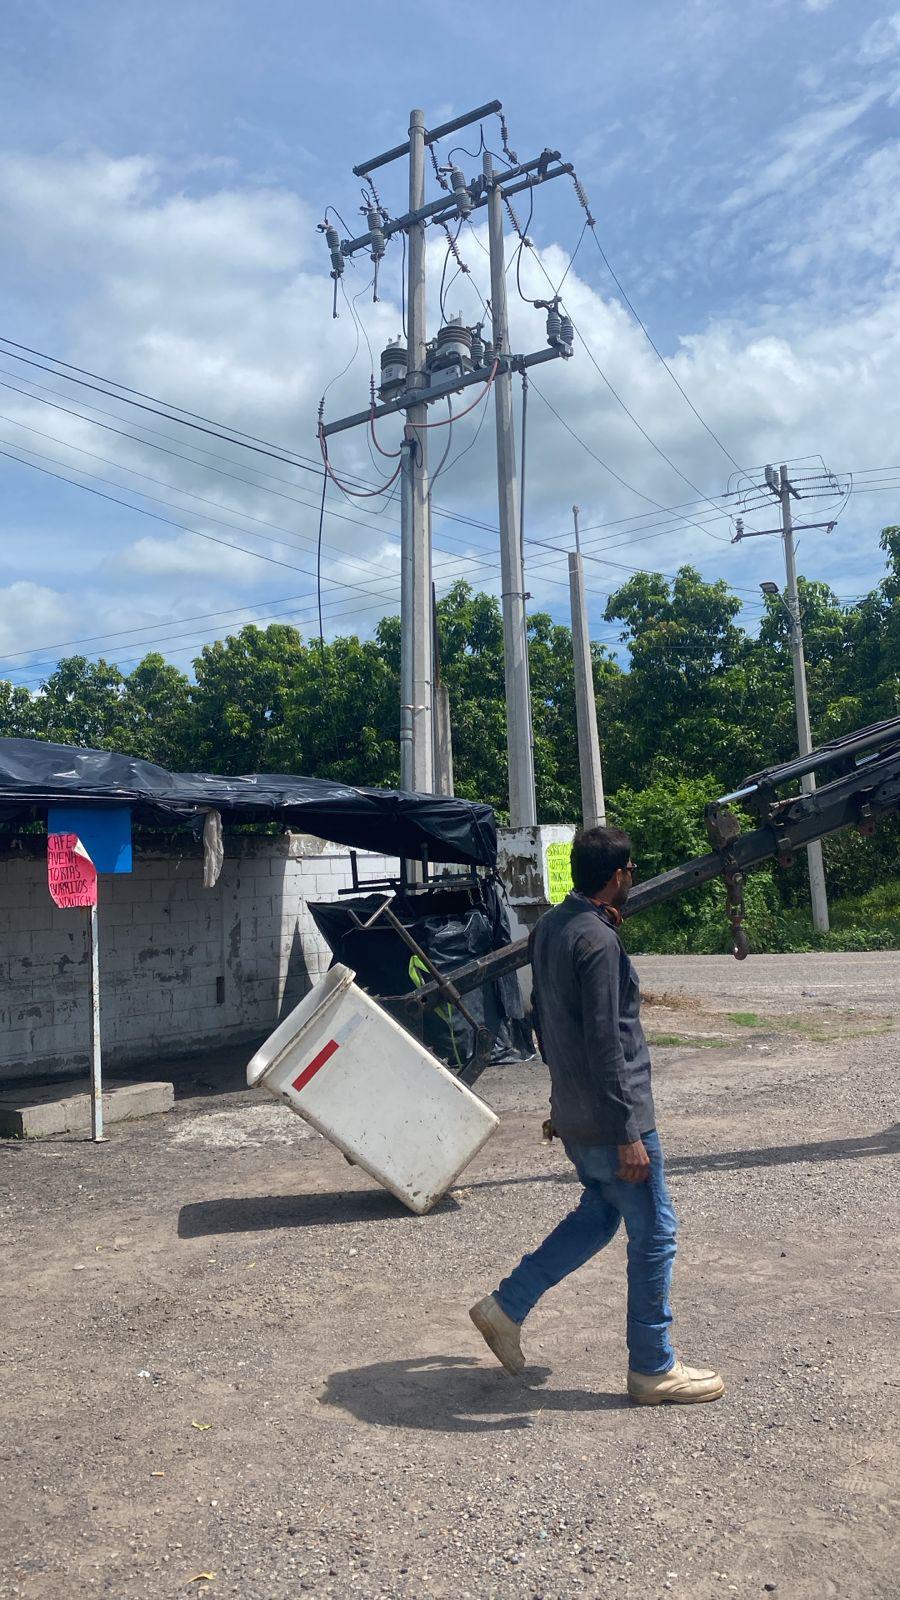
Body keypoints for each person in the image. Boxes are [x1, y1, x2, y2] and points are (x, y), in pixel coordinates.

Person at [469, 825, 724, 1406]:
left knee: (598, 1216)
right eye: (630, 871)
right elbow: (608, 1045)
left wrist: (563, 1102)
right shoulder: (598, 942)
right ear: (619, 876)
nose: (631, 879)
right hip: (615, 1121)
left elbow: (541, 1020)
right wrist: (627, 1133)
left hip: (577, 1115)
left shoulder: (551, 928)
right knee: (655, 1233)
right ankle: (653, 1367)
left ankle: (506, 1307)